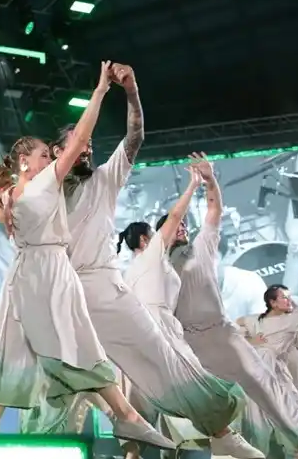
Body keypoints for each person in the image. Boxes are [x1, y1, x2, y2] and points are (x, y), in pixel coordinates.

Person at [35, 64, 261, 458]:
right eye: (79, 143)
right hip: (60, 294)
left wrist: (132, 92)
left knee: (158, 359)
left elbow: (135, 136)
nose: (87, 148)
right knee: (56, 382)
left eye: (90, 145)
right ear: (58, 151)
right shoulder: (44, 189)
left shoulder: (105, 179)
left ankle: (219, 430)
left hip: (103, 290)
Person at [0, 62, 172, 448]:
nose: (48, 161)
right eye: (41, 156)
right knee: (75, 345)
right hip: (48, 272)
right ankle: (128, 417)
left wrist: (1, 214)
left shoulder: (14, 194)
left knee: (19, 347)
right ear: (25, 162)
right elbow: (82, 133)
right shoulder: (43, 185)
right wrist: (100, 90)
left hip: (27, 272)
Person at [165, 157, 298, 457]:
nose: (180, 230)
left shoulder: (201, 248)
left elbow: (214, 211)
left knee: (264, 382)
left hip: (222, 333)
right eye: (173, 227)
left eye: (183, 227)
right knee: (206, 402)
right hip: (189, 344)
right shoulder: (152, 266)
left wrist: (207, 180)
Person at [121, 162, 245, 452]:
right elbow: (176, 215)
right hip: (159, 331)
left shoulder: (133, 270)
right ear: (144, 239)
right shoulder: (152, 254)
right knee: (193, 388)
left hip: (141, 335)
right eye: (157, 232)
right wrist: (192, 184)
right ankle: (223, 436)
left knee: (141, 408)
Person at [236, 285, 298, 455]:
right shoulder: (254, 320)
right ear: (273, 302)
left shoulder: (292, 318)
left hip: (275, 371)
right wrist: (250, 340)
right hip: (256, 369)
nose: (289, 300)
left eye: (290, 296)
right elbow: (233, 328)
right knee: (263, 414)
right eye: (284, 297)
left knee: (292, 408)